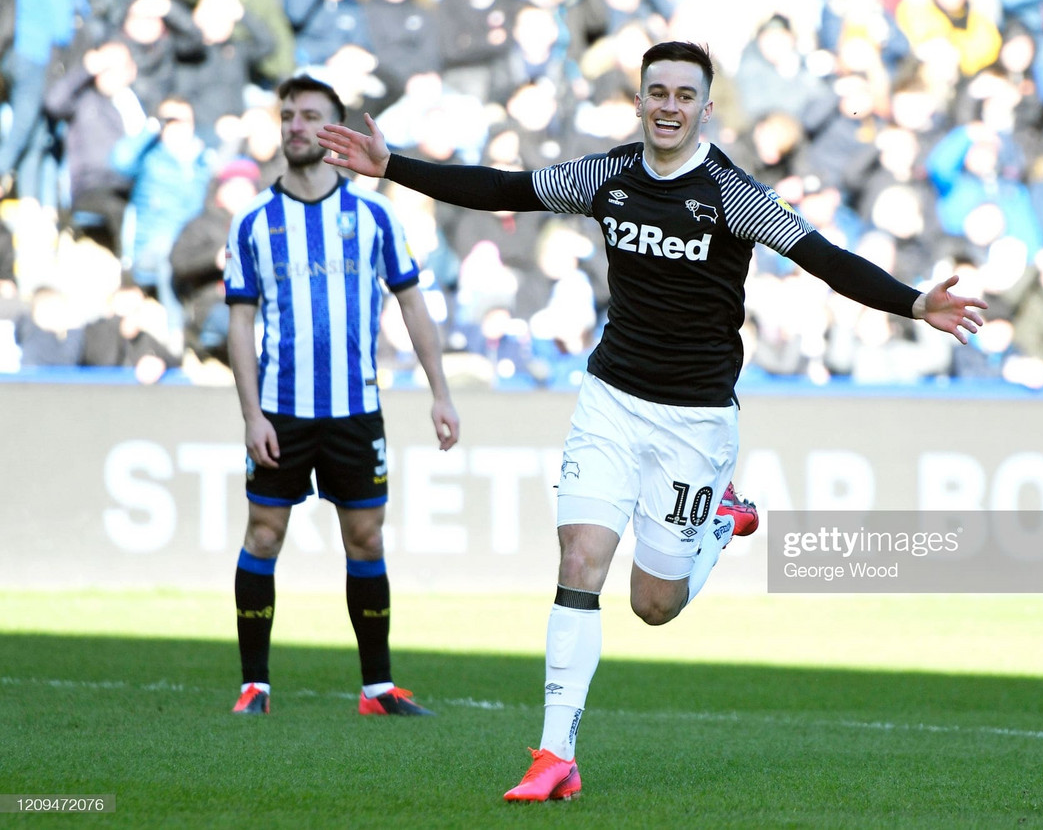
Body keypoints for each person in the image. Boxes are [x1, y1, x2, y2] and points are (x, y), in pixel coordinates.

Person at [318, 41, 984, 799]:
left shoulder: (733, 194)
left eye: (683, 95)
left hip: (696, 423)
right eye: (655, 92)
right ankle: (554, 756)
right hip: (610, 400)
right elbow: (502, 185)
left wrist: (914, 302)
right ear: (638, 101)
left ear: (705, 107)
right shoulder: (607, 175)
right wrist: (393, 165)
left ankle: (717, 520)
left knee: (653, 606)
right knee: (578, 562)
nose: (668, 106)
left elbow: (823, 257)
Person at [224, 75, 459, 717]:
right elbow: (239, 320)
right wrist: (250, 414)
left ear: (334, 130)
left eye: (311, 117)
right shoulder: (252, 222)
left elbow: (412, 301)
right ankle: (255, 684)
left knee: (367, 539)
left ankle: (377, 688)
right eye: (290, 116)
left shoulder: (375, 215)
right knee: (264, 533)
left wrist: (440, 392)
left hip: (356, 408)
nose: (297, 126)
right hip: (281, 408)